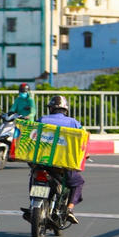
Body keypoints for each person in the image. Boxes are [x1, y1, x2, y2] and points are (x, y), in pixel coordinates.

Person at [36, 94, 85, 225]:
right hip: (64, 164)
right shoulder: (73, 123)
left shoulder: (42, 119)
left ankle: (33, 204)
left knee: (35, 175)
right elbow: (83, 143)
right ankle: (69, 209)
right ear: (65, 110)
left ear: (51, 109)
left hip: (43, 162)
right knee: (78, 182)